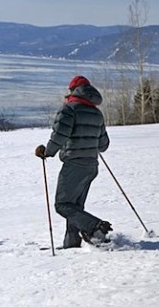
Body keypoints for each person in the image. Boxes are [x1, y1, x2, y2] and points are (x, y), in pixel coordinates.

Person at [35, 75, 111, 248]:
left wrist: (47, 152)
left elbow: (59, 135)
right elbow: (103, 145)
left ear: (73, 90)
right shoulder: (97, 112)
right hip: (92, 165)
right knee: (75, 206)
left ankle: (95, 226)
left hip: (74, 164)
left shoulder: (69, 109)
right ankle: (71, 244)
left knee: (62, 205)